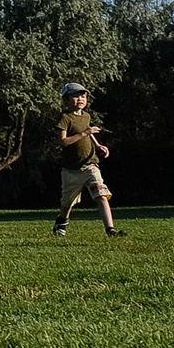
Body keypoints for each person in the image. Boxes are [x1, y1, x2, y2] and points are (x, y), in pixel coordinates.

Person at [51, 82, 124, 238]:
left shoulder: (86, 116)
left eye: (83, 96)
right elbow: (62, 142)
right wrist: (85, 133)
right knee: (67, 203)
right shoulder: (65, 118)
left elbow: (88, 132)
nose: (80, 99)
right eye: (75, 96)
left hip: (90, 164)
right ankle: (62, 221)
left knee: (101, 195)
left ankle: (110, 229)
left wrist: (98, 145)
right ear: (66, 100)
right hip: (71, 170)